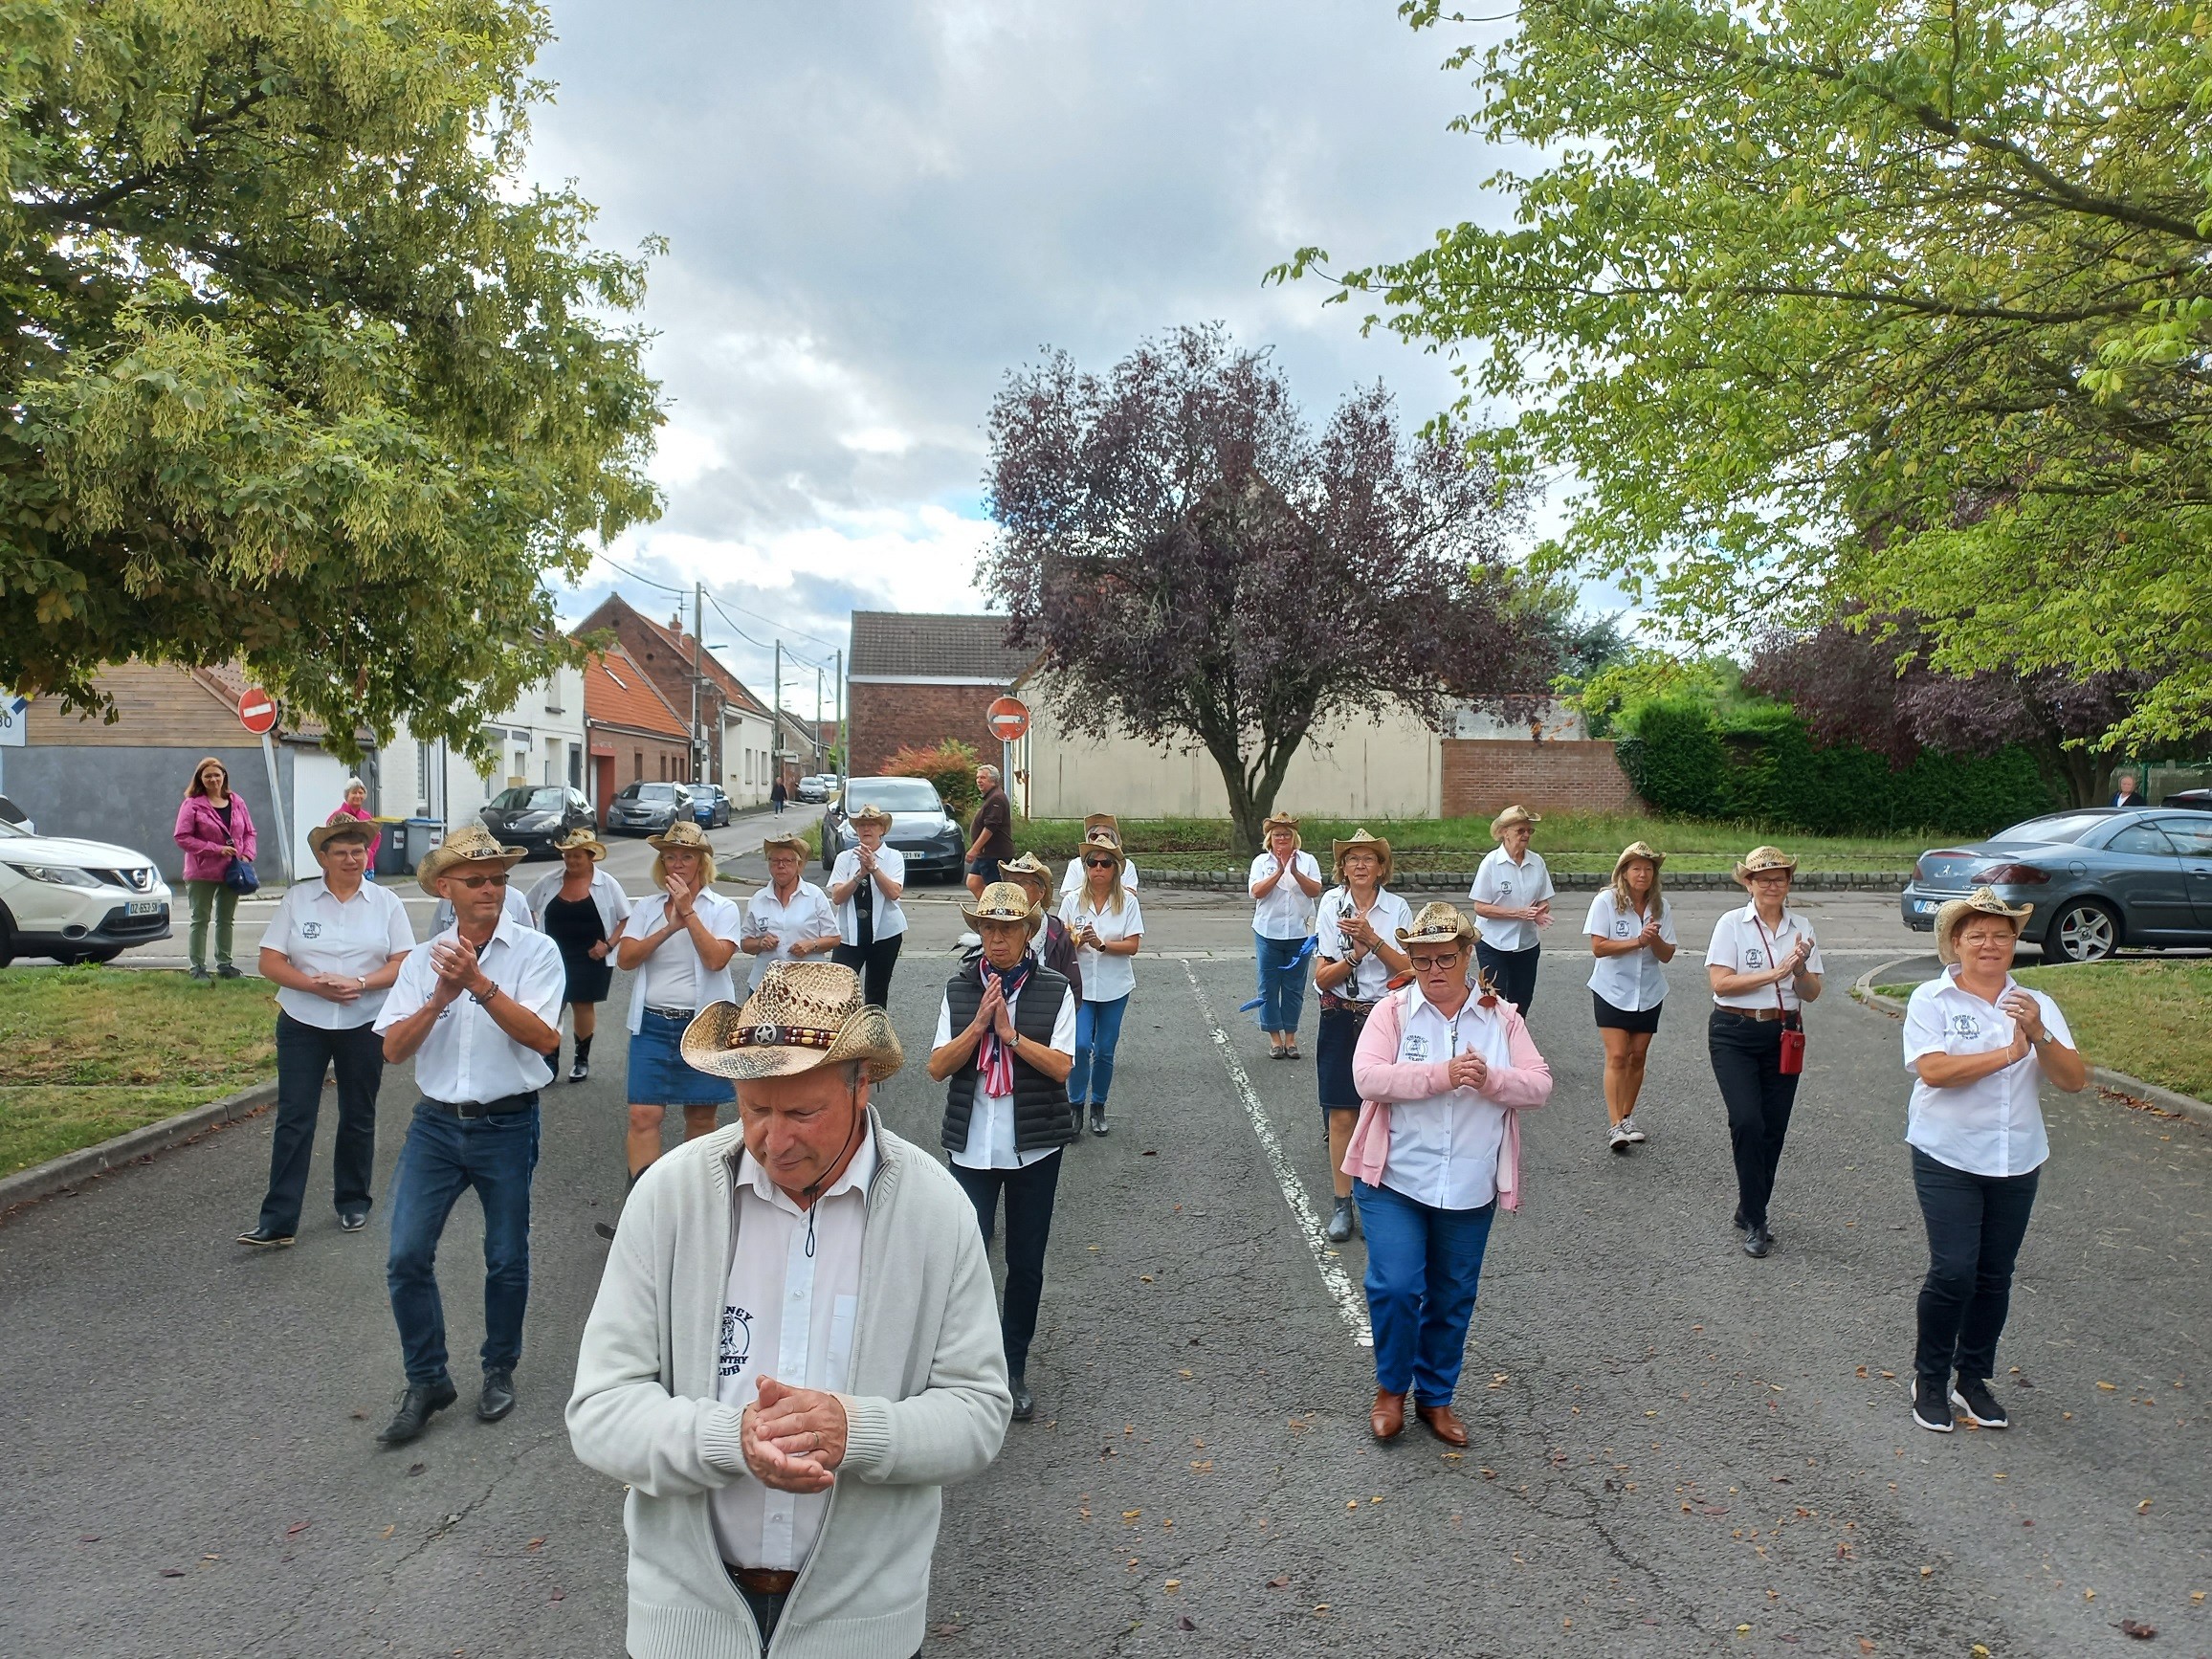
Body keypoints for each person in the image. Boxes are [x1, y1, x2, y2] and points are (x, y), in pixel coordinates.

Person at [567, 961, 1011, 1658]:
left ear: (863, 1083)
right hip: (685, 1626)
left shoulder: (936, 1212)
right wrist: (730, 1440)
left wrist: (854, 1431)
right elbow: (599, 1411)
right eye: (754, 1110)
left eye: (803, 1112)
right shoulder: (667, 1197)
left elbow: (980, 1414)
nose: (774, 1142)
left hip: (865, 1631)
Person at [371, 824, 564, 1444]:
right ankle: (427, 1378)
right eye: (477, 880)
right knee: (405, 1255)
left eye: (500, 879)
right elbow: (395, 1052)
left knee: (505, 1256)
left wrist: (480, 987)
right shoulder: (425, 962)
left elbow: (544, 1038)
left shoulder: (535, 951)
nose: (491, 889)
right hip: (435, 1125)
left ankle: (498, 1367)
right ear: (446, 889)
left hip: (507, 1122)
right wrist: (440, 997)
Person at [1343, 904, 1553, 1447]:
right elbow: (1366, 1077)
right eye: (1422, 959)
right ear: (1411, 961)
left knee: (1452, 1294)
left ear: (1467, 956)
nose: (1434, 969)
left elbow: (1540, 1086)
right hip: (1395, 1180)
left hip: (1469, 1184)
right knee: (1394, 1285)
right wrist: (1440, 1075)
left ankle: (1435, 1398)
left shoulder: (1502, 1017)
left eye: (1445, 958)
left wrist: (1491, 1079)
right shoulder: (1390, 1013)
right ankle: (1391, 1388)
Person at [1901, 888, 2087, 1434]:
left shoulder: (2036, 1004)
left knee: (1993, 1276)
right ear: (1956, 943)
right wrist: (2008, 1053)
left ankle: (1972, 1378)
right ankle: (1929, 1379)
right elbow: (1933, 1071)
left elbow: (2073, 1081)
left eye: (2001, 936)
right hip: (1948, 1153)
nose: (1989, 945)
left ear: (2014, 943)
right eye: (1976, 935)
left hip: (2017, 1156)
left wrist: (2038, 1032)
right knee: (1954, 1269)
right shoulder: (1930, 1000)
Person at [928, 882, 1078, 1423]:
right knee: (962, 1257)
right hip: (971, 1143)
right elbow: (938, 1066)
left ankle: (1012, 1367)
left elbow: (1063, 1068)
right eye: (988, 928)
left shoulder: (1055, 988)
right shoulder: (959, 986)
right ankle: (963, 1364)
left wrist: (1011, 1036)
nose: (996, 938)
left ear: (1027, 932)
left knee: (1026, 1262)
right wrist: (977, 1027)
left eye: (1008, 928)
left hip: (1033, 1146)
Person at [237, 813, 414, 1247]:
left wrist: (359, 984)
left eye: (358, 851)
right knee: (295, 1118)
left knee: (358, 1114)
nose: (351, 859)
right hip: (302, 1021)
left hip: (364, 1021)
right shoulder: (298, 900)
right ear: (323, 858)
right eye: (341, 852)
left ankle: (353, 1200)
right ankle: (278, 1221)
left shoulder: (386, 903)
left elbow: (404, 961)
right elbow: (270, 961)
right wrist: (315, 986)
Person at [1705, 846, 1825, 1259]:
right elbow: (1720, 984)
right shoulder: (1731, 924)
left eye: (1780, 877)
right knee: (1747, 1121)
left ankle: (1750, 1206)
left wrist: (1798, 971)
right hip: (1733, 1031)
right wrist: (1774, 972)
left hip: (1784, 1032)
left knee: (1773, 1127)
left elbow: (1811, 993)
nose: (1772, 884)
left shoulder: (1802, 927)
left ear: (1789, 883)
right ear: (1749, 884)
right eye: (1763, 878)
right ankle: (1758, 1220)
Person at [619, 820, 744, 1186]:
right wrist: (668, 927)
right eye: (670, 856)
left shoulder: (722, 908)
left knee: (701, 1118)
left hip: (703, 1026)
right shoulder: (646, 908)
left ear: (701, 862)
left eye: (686, 857)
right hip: (653, 1024)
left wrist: (688, 914)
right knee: (643, 1114)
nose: (676, 863)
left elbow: (716, 959)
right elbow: (626, 959)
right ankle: (641, 1206)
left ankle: (697, 1201)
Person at [1313, 829, 1413, 1244]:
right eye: (1352, 858)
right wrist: (1354, 955)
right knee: (1341, 1114)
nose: (1359, 865)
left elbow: (1410, 968)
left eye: (1368, 859)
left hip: (1386, 1015)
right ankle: (1342, 1204)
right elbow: (1322, 978)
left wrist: (1373, 940)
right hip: (1340, 1015)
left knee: (1384, 1113)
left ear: (1381, 869)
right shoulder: (1330, 905)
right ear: (1343, 867)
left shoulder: (1399, 909)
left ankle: (1378, 1201)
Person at [1585, 841, 1677, 1153]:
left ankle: (1627, 1117)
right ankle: (1614, 1126)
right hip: (1611, 990)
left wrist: (1654, 941)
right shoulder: (1606, 902)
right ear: (1624, 872)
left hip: (1649, 992)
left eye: (1648, 869)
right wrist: (1637, 941)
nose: (1642, 874)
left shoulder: (1661, 908)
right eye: (1636, 868)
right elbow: (1598, 947)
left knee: (1637, 1056)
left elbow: (1667, 956)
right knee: (1617, 1055)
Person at [526, 828, 631, 1083]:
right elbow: (526, 906)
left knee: (583, 1005)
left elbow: (626, 918)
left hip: (591, 956)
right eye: (568, 856)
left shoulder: (606, 884)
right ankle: (549, 1062)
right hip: (553, 956)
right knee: (551, 1006)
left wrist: (608, 945)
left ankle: (581, 1060)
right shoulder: (549, 881)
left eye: (577, 857)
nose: (571, 861)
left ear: (590, 857)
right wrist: (535, 937)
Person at [1060, 830, 1143, 1138]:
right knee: (1080, 1046)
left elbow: (1133, 945)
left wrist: (1103, 945)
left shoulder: (1128, 904)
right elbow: (1060, 942)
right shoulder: (1071, 901)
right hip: (1080, 987)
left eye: (1105, 863)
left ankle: (1099, 1107)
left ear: (1115, 869)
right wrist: (1076, 940)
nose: (1098, 868)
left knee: (1105, 1051)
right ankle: (1075, 1106)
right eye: (1091, 862)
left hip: (1114, 986)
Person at [173, 756, 257, 982]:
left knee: (226, 919)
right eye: (208, 775)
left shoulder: (237, 801)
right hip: (201, 871)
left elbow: (250, 832)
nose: (213, 779)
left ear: (224, 777)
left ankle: (225, 964)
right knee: (200, 918)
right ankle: (198, 967)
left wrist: (248, 854)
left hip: (233, 870)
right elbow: (182, 837)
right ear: (200, 778)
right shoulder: (192, 804)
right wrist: (215, 849)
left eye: (217, 775)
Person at [1248, 811, 1323, 1060]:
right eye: (1277, 834)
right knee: (1268, 987)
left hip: (1300, 934)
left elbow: (1315, 890)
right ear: (1270, 838)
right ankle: (1275, 1039)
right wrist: (1278, 872)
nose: (1282, 838)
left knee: (1294, 988)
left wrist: (1295, 872)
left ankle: (1291, 1038)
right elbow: (1256, 892)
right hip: (1268, 932)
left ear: (1294, 838)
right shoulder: (1261, 862)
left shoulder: (1307, 860)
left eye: (1287, 834)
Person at [1469, 805, 1554, 1016]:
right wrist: (1518, 914)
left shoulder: (1537, 862)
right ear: (1504, 833)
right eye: (1520, 831)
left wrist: (1539, 913)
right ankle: (1492, 1043)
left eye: (1529, 831)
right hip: (1493, 943)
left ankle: (1514, 1043)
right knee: (1493, 998)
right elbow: (1479, 907)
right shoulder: (1491, 863)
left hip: (1526, 944)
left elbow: (1544, 900)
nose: (1526, 835)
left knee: (1522, 999)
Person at [828, 804, 907, 1007]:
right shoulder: (845, 858)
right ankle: (842, 1034)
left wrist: (874, 868)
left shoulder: (894, 857)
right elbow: (837, 897)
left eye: (872, 825)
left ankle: (874, 1035)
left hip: (885, 934)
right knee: (839, 990)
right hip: (848, 934)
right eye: (861, 825)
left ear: (882, 829)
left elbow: (894, 892)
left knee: (877, 992)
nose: (866, 829)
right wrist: (859, 874)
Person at [742, 833, 840, 989]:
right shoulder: (758, 899)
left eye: (787, 861)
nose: (781, 866)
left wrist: (811, 944)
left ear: (798, 865)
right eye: (775, 861)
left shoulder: (814, 895)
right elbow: (745, 944)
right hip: (765, 985)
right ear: (769, 865)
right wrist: (760, 943)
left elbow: (834, 939)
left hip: (807, 986)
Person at [1002, 852, 1082, 998]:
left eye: (1024, 882)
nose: (1016, 888)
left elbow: (1073, 988)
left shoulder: (1058, 933)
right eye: (1012, 882)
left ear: (1041, 892)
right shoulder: (992, 928)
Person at [1057, 812, 1142, 896]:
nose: (1099, 839)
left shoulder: (1128, 865)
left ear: (1113, 839)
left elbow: (1131, 896)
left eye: (1105, 836)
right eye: (1094, 836)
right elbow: (1068, 895)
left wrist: (1110, 884)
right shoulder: (1075, 864)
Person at [964, 763, 1014, 897]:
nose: (979, 781)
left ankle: (997, 913)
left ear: (993, 781)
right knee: (973, 882)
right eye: (978, 778)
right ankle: (987, 910)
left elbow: (991, 827)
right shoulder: (991, 797)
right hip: (985, 854)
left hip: (994, 854)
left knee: (995, 889)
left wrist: (975, 849)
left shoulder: (996, 798)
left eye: (983, 778)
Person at [334, 776, 382, 870]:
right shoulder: (337, 817)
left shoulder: (367, 817)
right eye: (354, 792)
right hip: (343, 866)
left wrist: (370, 853)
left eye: (360, 793)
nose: (358, 796)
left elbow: (377, 835)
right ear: (347, 795)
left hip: (366, 866)